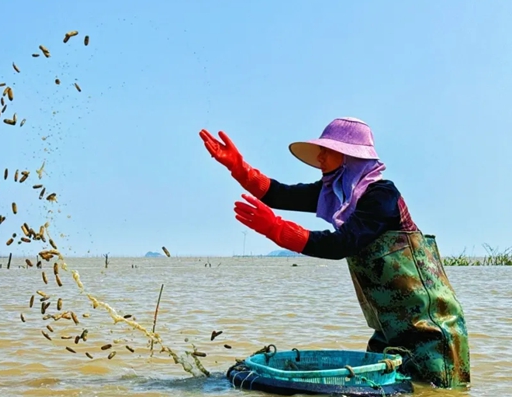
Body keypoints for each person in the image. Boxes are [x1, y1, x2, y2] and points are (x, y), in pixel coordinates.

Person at [199, 117, 471, 389]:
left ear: (348, 156)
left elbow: (341, 244)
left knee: (441, 392)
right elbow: (281, 195)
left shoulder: (381, 196)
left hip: (430, 330)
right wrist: (238, 167)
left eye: (326, 150)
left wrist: (277, 229)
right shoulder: (338, 194)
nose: (319, 157)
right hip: (387, 330)